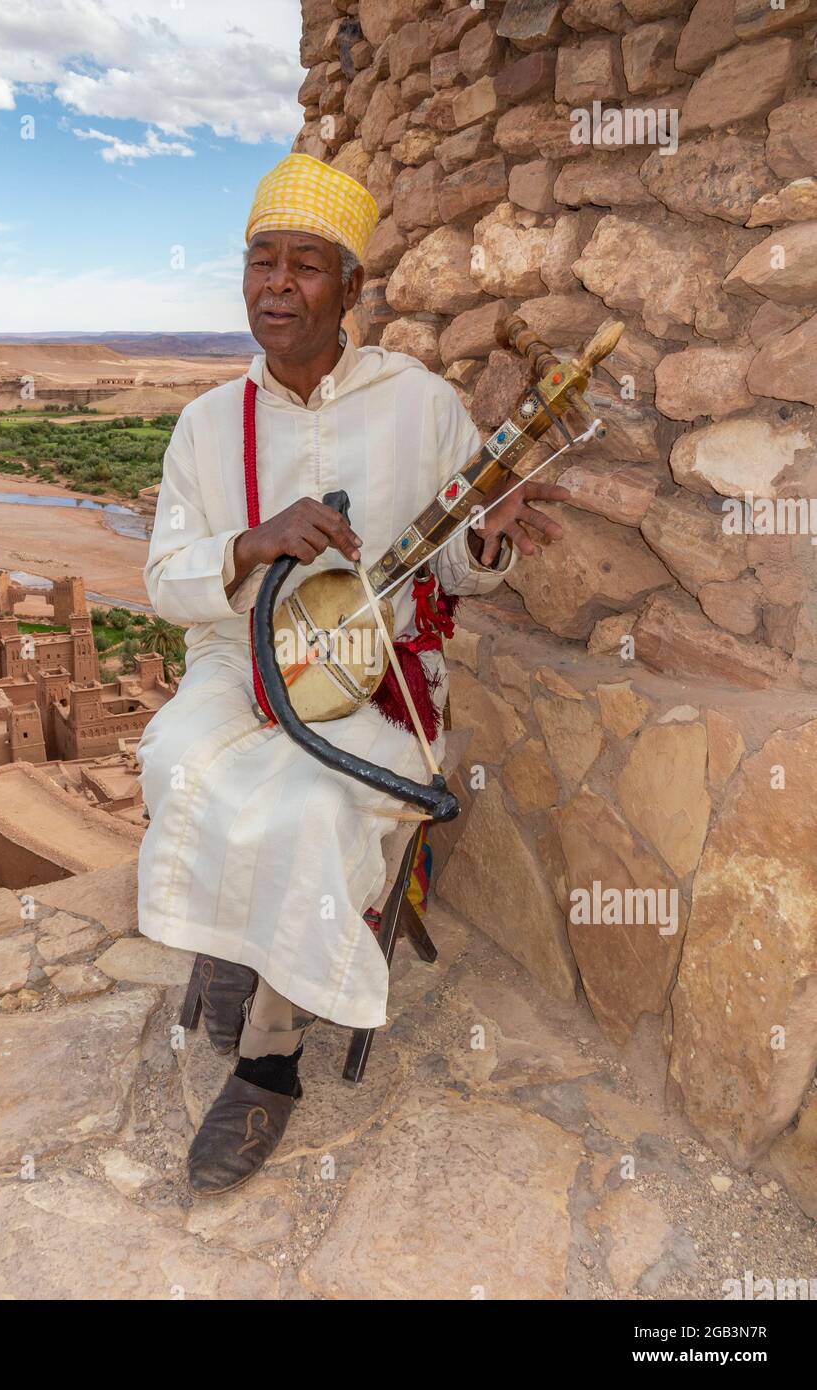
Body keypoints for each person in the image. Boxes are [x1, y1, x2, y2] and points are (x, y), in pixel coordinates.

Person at [136, 152, 569, 1196]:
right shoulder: (206, 425)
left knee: (315, 810)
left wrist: (494, 539)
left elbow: (463, 561)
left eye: (303, 266)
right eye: (259, 263)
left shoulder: (417, 405)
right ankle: (238, 941)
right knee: (175, 761)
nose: (275, 286)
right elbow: (164, 577)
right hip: (240, 668)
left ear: (350, 290)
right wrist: (251, 543)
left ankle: (271, 1060)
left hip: (383, 688)